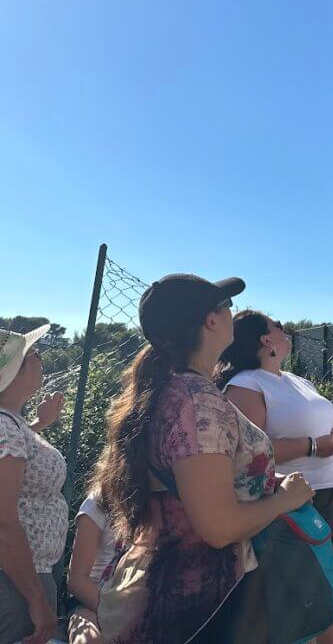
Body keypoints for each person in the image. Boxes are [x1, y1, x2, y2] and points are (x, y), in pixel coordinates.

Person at [96, 274, 315, 644]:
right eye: (226, 306)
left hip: (174, 596)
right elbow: (218, 526)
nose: (233, 313)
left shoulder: (170, 388)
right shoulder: (198, 403)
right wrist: (285, 500)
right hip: (206, 606)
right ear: (210, 321)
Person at [220, 310, 333, 644]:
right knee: (302, 610)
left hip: (324, 497)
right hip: (286, 508)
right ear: (266, 339)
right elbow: (248, 454)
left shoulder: (295, 380)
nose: (285, 329)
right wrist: (312, 446)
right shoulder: (245, 384)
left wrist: (330, 437)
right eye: (277, 326)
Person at [0, 324, 65, 644]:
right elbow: (3, 521)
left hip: (22, 574)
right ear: (14, 372)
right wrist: (36, 599)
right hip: (16, 580)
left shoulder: (10, 424)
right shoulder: (5, 427)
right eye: (32, 354)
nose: (40, 357)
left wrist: (41, 424)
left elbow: (17, 464)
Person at [67, 481, 120, 644]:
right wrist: (116, 615)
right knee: (88, 639)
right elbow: (77, 580)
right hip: (91, 604)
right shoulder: (100, 502)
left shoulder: (168, 505)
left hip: (143, 605)